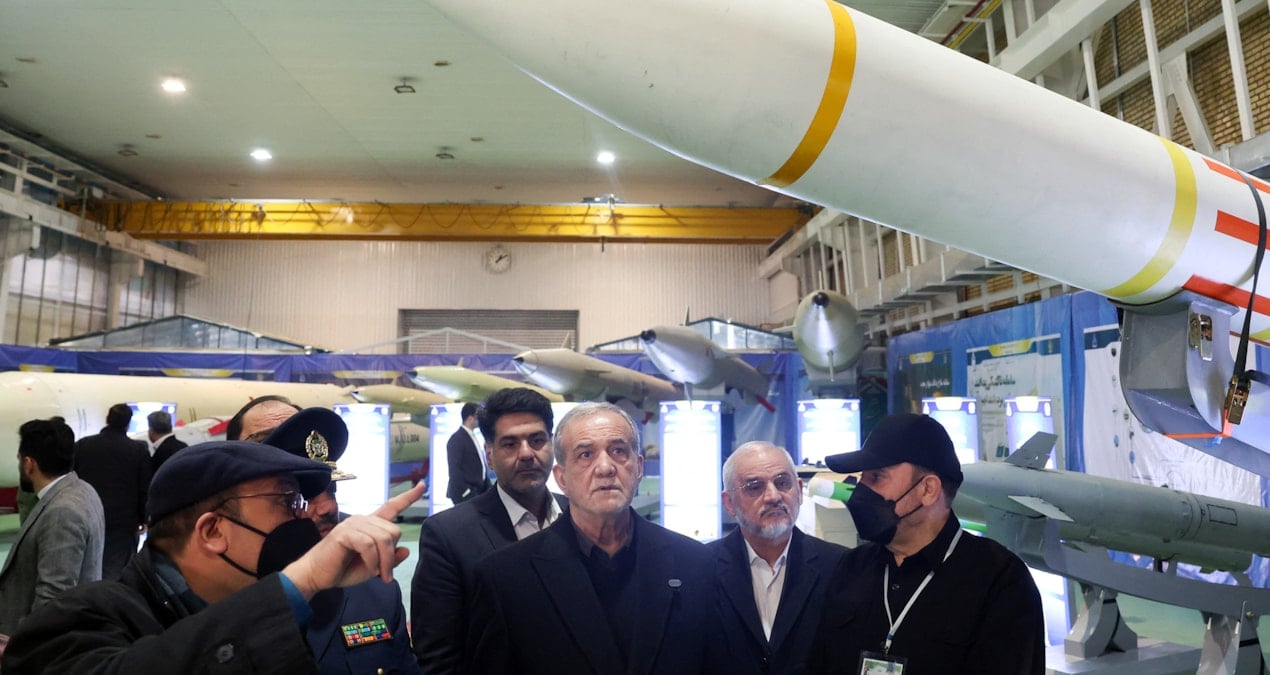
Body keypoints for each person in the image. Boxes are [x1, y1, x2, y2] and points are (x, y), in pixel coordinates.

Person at [0, 439, 426, 673]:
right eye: (287, 501)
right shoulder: (78, 621)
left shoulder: (268, 610)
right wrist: (304, 579)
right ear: (213, 531)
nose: (306, 516)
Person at [466, 402, 714, 674]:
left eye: (618, 451)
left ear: (638, 467)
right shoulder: (506, 578)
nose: (605, 468)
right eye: (585, 455)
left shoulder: (695, 564)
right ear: (561, 478)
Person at [813, 413, 1045, 674]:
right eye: (862, 478)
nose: (861, 490)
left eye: (876, 477)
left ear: (928, 490)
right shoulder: (851, 568)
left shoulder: (1000, 582)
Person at [230, 399, 419, 674]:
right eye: (300, 493)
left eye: (331, 489)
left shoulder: (373, 584)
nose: (328, 507)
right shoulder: (217, 591)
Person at [411, 388, 566, 674]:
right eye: (510, 444)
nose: (526, 454)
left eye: (537, 440)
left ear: (552, 445)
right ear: (490, 456)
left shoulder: (579, 517)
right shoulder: (448, 536)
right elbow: (438, 657)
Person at [711, 441, 849, 674]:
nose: (773, 496)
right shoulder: (702, 569)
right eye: (755, 487)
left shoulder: (839, 567)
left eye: (783, 483)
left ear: (799, 490)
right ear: (729, 503)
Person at [0, 418, 106, 637]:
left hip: (35, 643)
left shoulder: (62, 512)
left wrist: (24, 644)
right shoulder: (83, 489)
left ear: (29, 464)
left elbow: (52, 598)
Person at [73, 403, 153, 580]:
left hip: (86, 513)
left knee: (85, 564)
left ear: (107, 419)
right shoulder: (138, 450)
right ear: (128, 423)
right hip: (123, 521)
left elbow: (73, 478)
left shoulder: (83, 445)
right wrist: (143, 518)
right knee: (117, 570)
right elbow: (144, 487)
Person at [446, 402, 489, 505]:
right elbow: (454, 468)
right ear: (470, 418)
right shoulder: (457, 439)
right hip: (466, 494)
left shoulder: (472, 437)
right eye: (478, 417)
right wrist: (465, 492)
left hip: (479, 491)